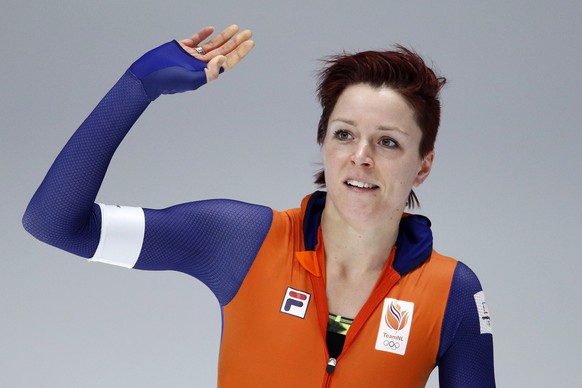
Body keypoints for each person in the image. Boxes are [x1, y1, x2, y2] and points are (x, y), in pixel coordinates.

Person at [23, 24, 495, 387]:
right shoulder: (240, 240)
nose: (361, 157)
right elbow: (55, 223)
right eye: (345, 134)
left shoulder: (451, 291)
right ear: (324, 143)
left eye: (388, 142)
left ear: (423, 165)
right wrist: (137, 88)